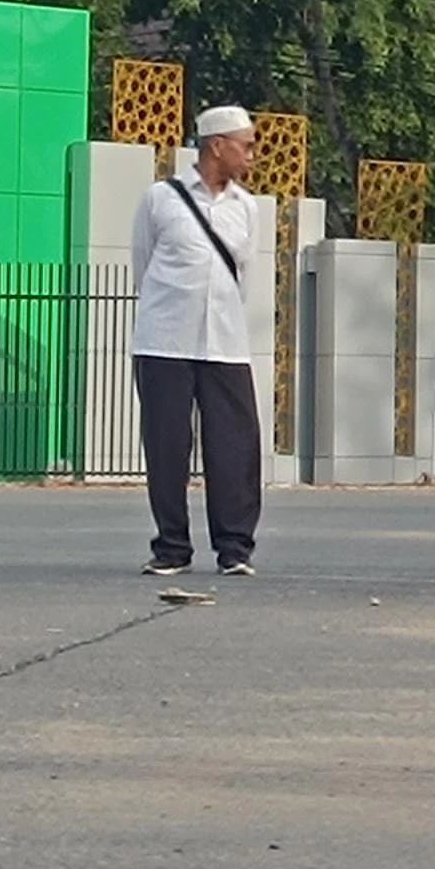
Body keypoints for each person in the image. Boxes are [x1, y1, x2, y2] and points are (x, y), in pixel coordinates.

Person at [130, 105, 274, 578]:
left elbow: (245, 274)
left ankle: (234, 547)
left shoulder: (246, 207)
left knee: (234, 445)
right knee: (167, 444)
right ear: (217, 145)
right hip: (164, 340)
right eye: (246, 145)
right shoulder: (160, 199)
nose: (252, 154)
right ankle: (171, 546)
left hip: (225, 343)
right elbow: (143, 262)